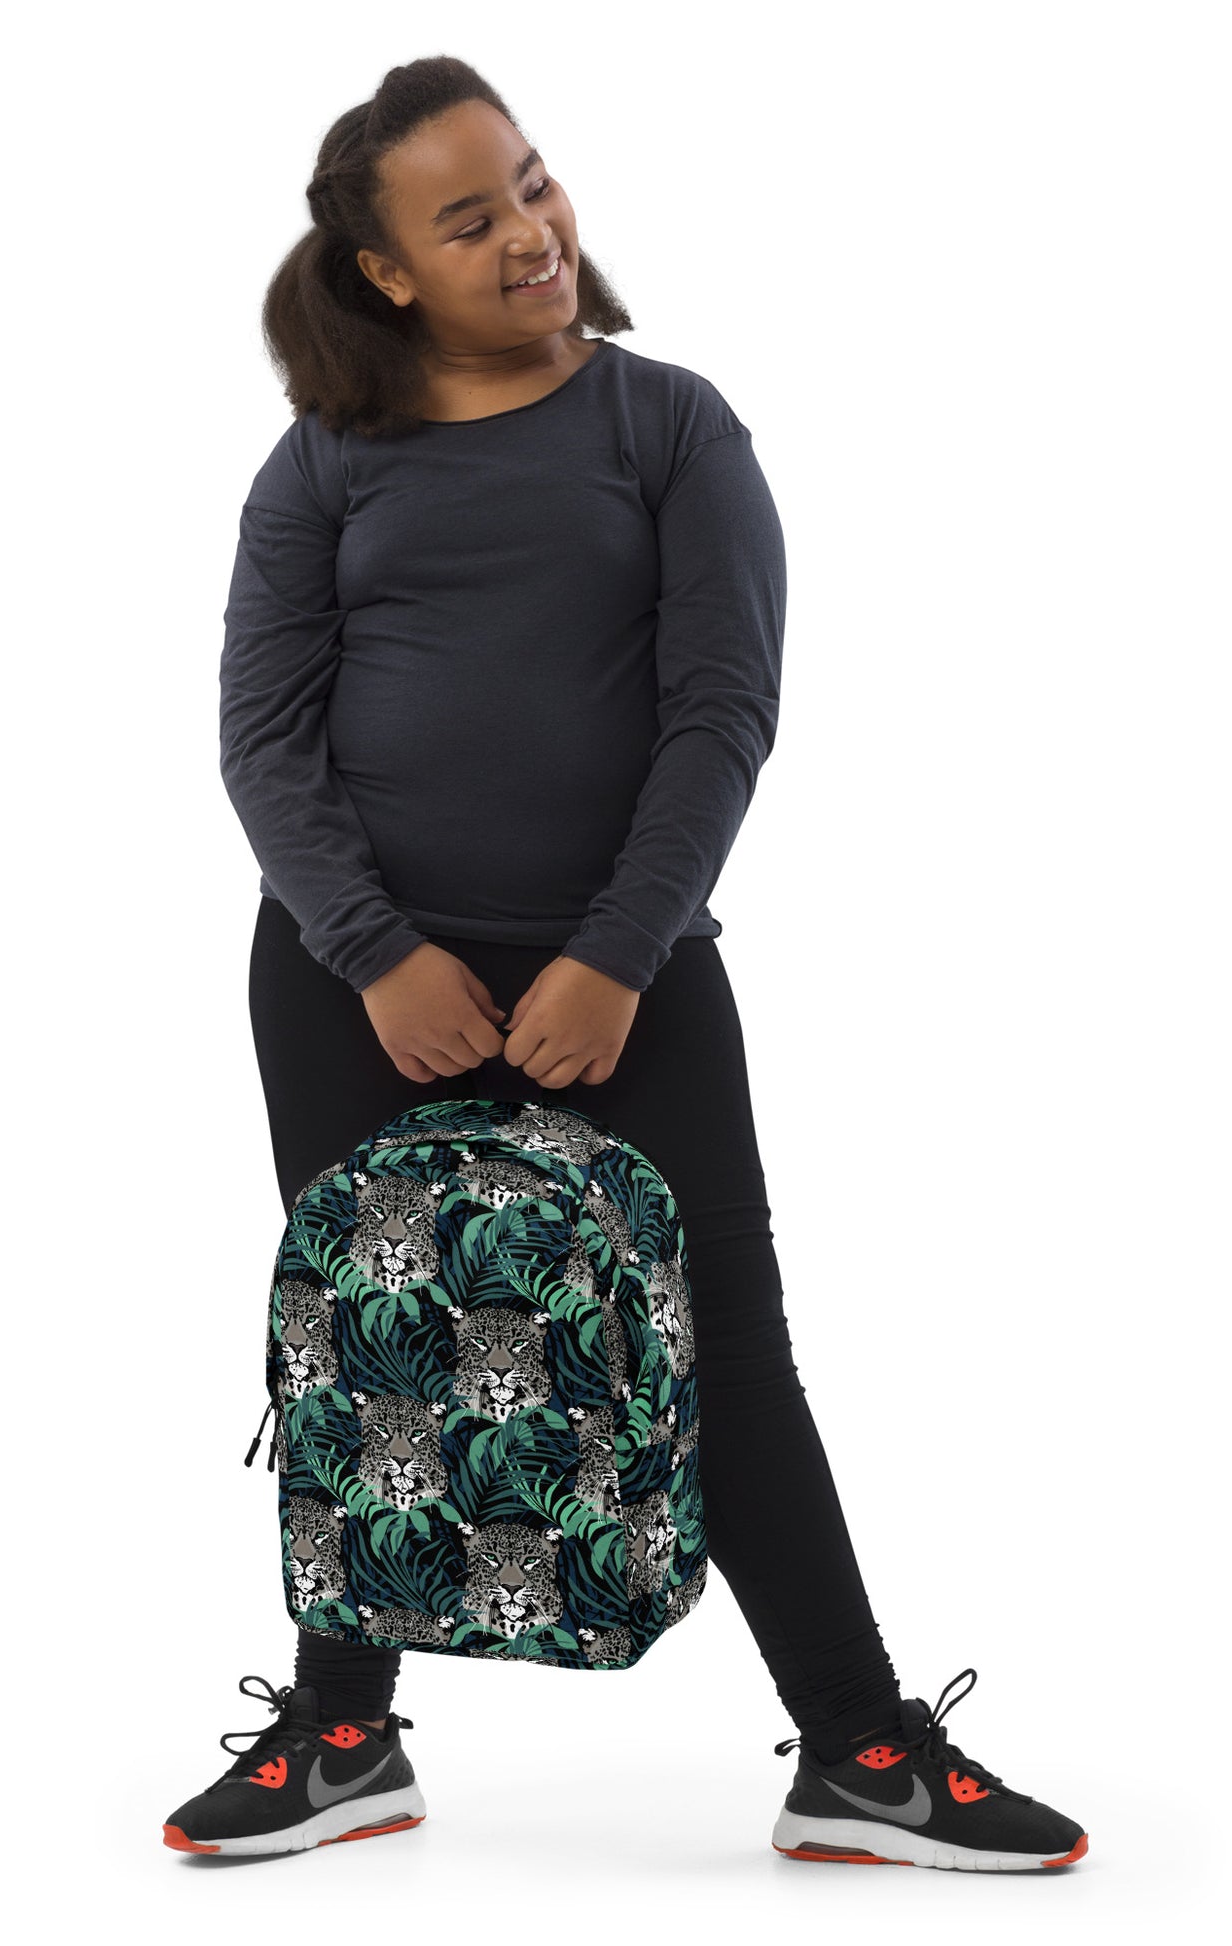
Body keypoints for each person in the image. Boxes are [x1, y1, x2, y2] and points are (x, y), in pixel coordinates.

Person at [163, 57, 1088, 1873]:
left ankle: (860, 1747)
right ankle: (343, 1732)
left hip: (629, 975)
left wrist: (615, 954)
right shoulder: (324, 457)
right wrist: (375, 953)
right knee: (372, 1335)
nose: (529, 230)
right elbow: (262, 741)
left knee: (720, 1347)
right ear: (385, 273)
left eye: (530, 182)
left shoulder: (668, 426)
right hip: (354, 987)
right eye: (469, 219)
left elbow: (719, 712)